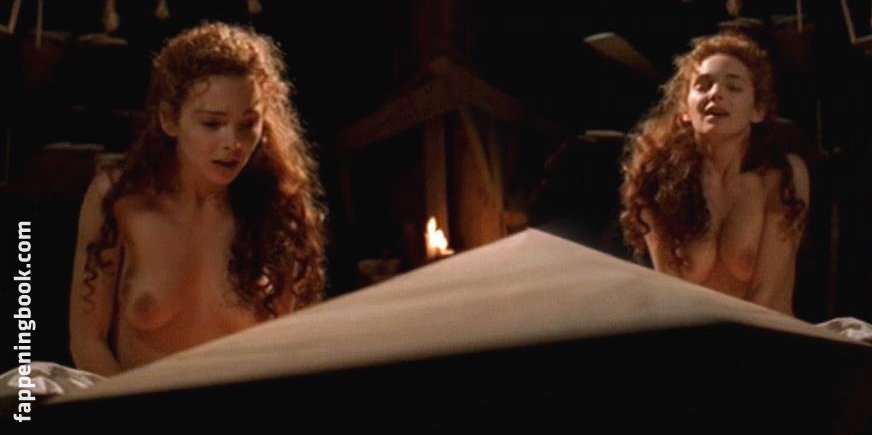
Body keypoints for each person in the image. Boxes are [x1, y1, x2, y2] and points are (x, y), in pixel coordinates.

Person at [68, 22, 326, 376]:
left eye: (248, 124)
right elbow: (87, 341)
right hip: (139, 404)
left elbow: (289, 350)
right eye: (211, 124)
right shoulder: (119, 199)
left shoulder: (274, 209)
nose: (233, 143)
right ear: (169, 120)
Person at [619, 32, 809, 315]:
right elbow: (672, 290)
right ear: (685, 110)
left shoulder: (781, 177)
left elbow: (766, 294)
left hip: (766, 334)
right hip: (694, 333)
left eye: (734, 87)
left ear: (757, 110)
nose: (716, 94)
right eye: (703, 85)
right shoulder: (657, 179)